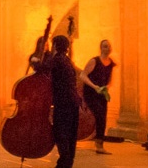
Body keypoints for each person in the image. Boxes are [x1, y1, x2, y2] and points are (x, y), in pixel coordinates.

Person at [30, 35, 102, 168]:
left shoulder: (57, 60)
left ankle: (64, 163)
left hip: (63, 103)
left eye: (53, 45)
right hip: (73, 102)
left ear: (56, 46)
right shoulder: (67, 60)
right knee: (71, 135)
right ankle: (68, 162)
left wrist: (34, 61)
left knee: (60, 133)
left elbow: (42, 68)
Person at [83, 40, 116, 154]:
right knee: (99, 115)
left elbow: (110, 80)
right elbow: (83, 76)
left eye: (109, 46)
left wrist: (106, 87)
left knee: (103, 117)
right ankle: (97, 143)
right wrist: (94, 87)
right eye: (105, 46)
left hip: (101, 93)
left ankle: (99, 145)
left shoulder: (111, 63)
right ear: (101, 48)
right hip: (91, 92)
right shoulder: (94, 61)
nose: (108, 48)